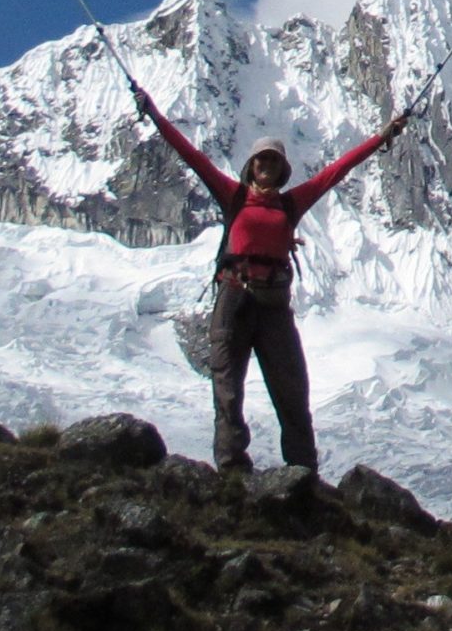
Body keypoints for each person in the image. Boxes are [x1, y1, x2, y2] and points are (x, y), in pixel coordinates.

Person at [133, 84, 406, 472]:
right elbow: (192, 156)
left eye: (273, 161)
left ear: (281, 169)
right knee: (227, 388)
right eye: (262, 160)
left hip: (273, 304)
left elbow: (337, 171)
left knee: (292, 390)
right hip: (234, 298)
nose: (266, 165)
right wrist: (155, 114)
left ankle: (301, 472)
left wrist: (383, 136)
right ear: (251, 166)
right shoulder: (234, 197)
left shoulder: (291, 203)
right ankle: (232, 467)